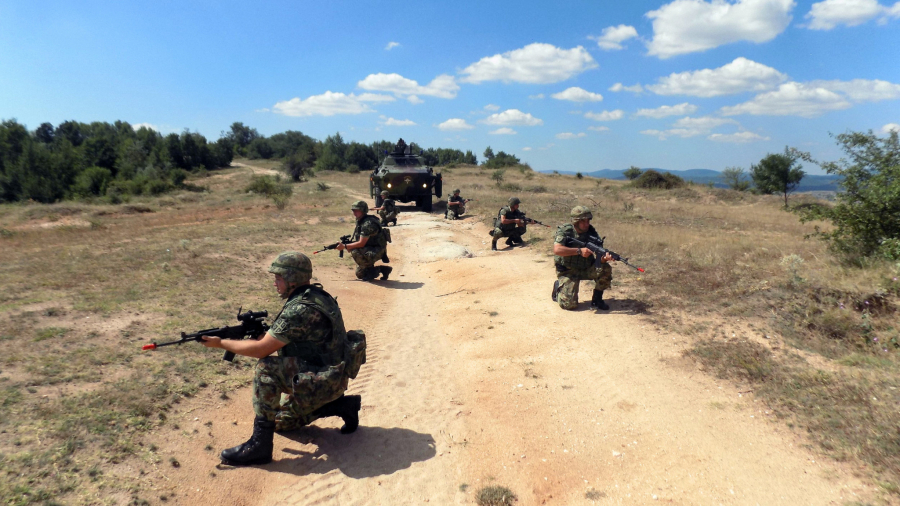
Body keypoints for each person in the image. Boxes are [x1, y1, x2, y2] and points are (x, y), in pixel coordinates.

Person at [201, 251, 362, 466]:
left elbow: (260, 351)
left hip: (322, 382)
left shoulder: (298, 309)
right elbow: (293, 340)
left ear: (291, 279)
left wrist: (220, 343)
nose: (275, 283)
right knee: (279, 422)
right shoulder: (316, 296)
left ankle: (260, 446)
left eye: (278, 278)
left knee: (265, 368)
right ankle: (341, 406)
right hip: (330, 377)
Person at [551, 206, 615, 311]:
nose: (587, 224)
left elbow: (599, 256)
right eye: (583, 221)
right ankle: (558, 289)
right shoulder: (566, 231)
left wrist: (604, 259)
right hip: (568, 271)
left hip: (586, 268)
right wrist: (579, 251)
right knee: (569, 305)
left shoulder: (591, 232)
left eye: (588, 221)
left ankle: (597, 299)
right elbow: (557, 250)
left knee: (605, 268)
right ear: (576, 221)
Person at [337, 200, 392, 281]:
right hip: (370, 248)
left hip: (378, 250)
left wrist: (345, 246)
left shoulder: (368, 224)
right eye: (353, 210)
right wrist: (347, 245)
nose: (354, 213)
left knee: (354, 250)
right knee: (360, 274)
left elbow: (361, 243)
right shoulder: (361, 220)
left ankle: (371, 272)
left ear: (363, 210)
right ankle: (383, 269)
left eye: (357, 210)